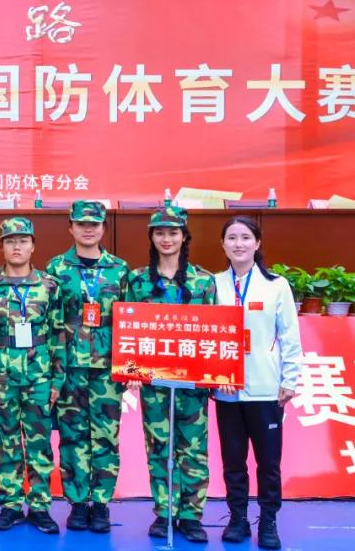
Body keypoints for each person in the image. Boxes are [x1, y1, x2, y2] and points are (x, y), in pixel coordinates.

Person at [124, 207, 216, 543]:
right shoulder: (137, 280)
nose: (167, 239)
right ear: (151, 237)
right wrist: (131, 370)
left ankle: (191, 516)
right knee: (159, 446)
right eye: (160, 233)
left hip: (193, 381)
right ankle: (164, 512)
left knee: (193, 448)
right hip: (154, 381)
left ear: (184, 236)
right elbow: (128, 328)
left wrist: (215, 374)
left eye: (173, 232)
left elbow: (215, 330)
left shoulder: (203, 281)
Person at [213, 215, 302, 550]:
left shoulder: (276, 285)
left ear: (257, 243)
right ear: (223, 244)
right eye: (232, 238)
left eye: (245, 237)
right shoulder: (213, 284)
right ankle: (237, 518)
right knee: (233, 461)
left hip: (265, 388)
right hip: (226, 390)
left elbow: (289, 336)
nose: (239, 244)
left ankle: (268, 521)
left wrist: (290, 379)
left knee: (268, 463)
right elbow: (204, 333)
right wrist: (215, 375)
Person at [46, 200, 129, 533]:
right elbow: (50, 321)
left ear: (103, 228)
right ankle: (78, 503)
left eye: (94, 224)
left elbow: (128, 321)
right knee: (72, 435)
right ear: (71, 227)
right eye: (81, 224)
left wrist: (129, 367)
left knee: (106, 436)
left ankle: (102, 503)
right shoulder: (55, 268)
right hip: (69, 366)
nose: (88, 229)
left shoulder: (119, 269)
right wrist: (54, 368)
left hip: (107, 368)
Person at [0, 217, 64, 535]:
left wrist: (57, 379)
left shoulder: (49, 286)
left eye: (23, 240)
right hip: (0, 376)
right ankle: (11, 505)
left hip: (39, 377)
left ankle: (40, 506)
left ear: (33, 246)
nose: (17, 246)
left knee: (40, 443)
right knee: (6, 443)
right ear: (2, 246)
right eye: (10, 241)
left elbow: (58, 334)